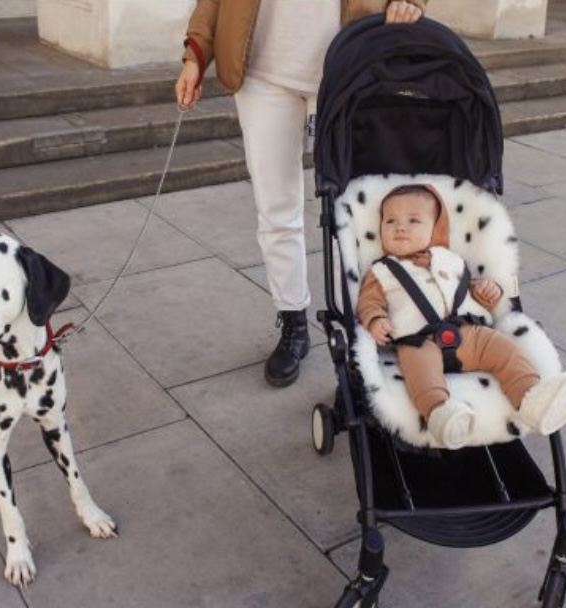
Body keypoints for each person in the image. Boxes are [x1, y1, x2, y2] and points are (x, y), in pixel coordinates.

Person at [175, 0, 428, 387]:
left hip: (350, 66)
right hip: (262, 71)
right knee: (276, 209)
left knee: (361, 212)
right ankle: (293, 321)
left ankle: (373, 317)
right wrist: (195, 53)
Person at [356, 185, 566, 449]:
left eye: (413, 221)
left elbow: (471, 291)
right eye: (390, 221)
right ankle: (441, 414)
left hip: (470, 333)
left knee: (505, 350)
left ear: (436, 228)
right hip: (418, 341)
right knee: (420, 374)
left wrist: (488, 292)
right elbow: (369, 302)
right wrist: (376, 320)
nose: (400, 228)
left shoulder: (451, 260)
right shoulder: (382, 271)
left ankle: (531, 399)